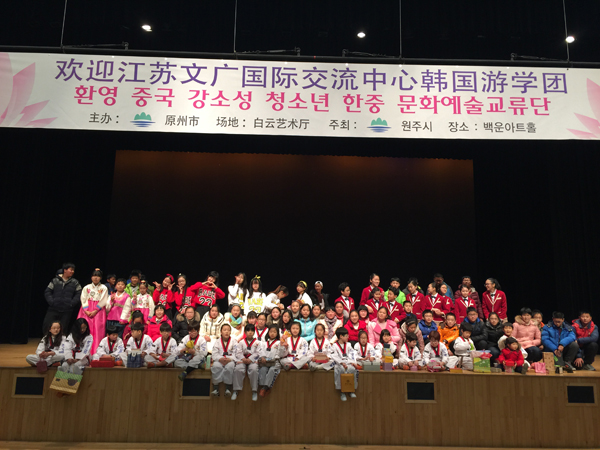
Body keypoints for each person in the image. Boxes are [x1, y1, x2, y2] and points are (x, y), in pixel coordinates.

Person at [43, 263, 82, 336]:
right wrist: (52, 302)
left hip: (67, 310)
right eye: (71, 270)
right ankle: (47, 341)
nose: (72, 271)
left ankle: (61, 342)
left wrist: (72, 303)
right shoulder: (55, 280)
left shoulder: (75, 282)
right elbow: (47, 291)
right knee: (47, 325)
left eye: (73, 270)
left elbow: (79, 293)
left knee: (63, 328)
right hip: (53, 308)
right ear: (65, 270)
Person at [76, 268, 108, 354]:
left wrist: (96, 310)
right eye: (94, 276)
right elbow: (83, 298)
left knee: (98, 330)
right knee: (85, 328)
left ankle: (96, 352)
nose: (95, 278)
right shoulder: (86, 287)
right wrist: (86, 310)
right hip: (87, 309)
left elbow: (104, 300)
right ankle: (82, 350)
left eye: (98, 276)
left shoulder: (104, 288)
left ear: (101, 278)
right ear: (91, 277)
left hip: (98, 311)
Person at [329, 327, 359, 401]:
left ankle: (351, 390)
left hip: (348, 362)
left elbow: (352, 354)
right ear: (341, 336)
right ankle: (342, 391)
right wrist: (341, 362)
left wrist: (353, 362)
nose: (348, 337)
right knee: (341, 370)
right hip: (339, 364)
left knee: (352, 369)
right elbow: (334, 356)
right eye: (346, 335)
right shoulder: (334, 346)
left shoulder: (348, 345)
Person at [233, 324, 261, 401]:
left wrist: (250, 359)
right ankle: (236, 390)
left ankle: (254, 390)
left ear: (254, 332)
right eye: (248, 330)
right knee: (238, 369)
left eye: (252, 330)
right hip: (243, 360)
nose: (250, 332)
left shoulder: (258, 342)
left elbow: (258, 353)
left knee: (254, 369)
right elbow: (238, 352)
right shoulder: (241, 342)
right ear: (245, 332)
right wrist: (243, 358)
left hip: (252, 360)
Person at [258, 325, 284, 397]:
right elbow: (261, 351)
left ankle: (265, 387)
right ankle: (263, 386)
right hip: (265, 362)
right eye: (271, 332)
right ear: (268, 332)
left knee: (272, 370)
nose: (272, 333)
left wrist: (282, 345)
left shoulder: (279, 343)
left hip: (275, 362)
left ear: (277, 333)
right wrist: (262, 357)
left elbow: (281, 354)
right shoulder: (264, 343)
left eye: (274, 332)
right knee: (263, 369)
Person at [211, 323, 236, 396]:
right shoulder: (217, 341)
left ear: (230, 332)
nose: (226, 332)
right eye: (224, 330)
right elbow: (214, 353)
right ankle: (215, 389)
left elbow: (236, 353)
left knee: (230, 367)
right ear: (221, 332)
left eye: (228, 330)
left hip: (230, 360)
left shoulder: (234, 341)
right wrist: (220, 359)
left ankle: (228, 388)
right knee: (216, 366)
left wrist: (230, 359)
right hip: (219, 360)